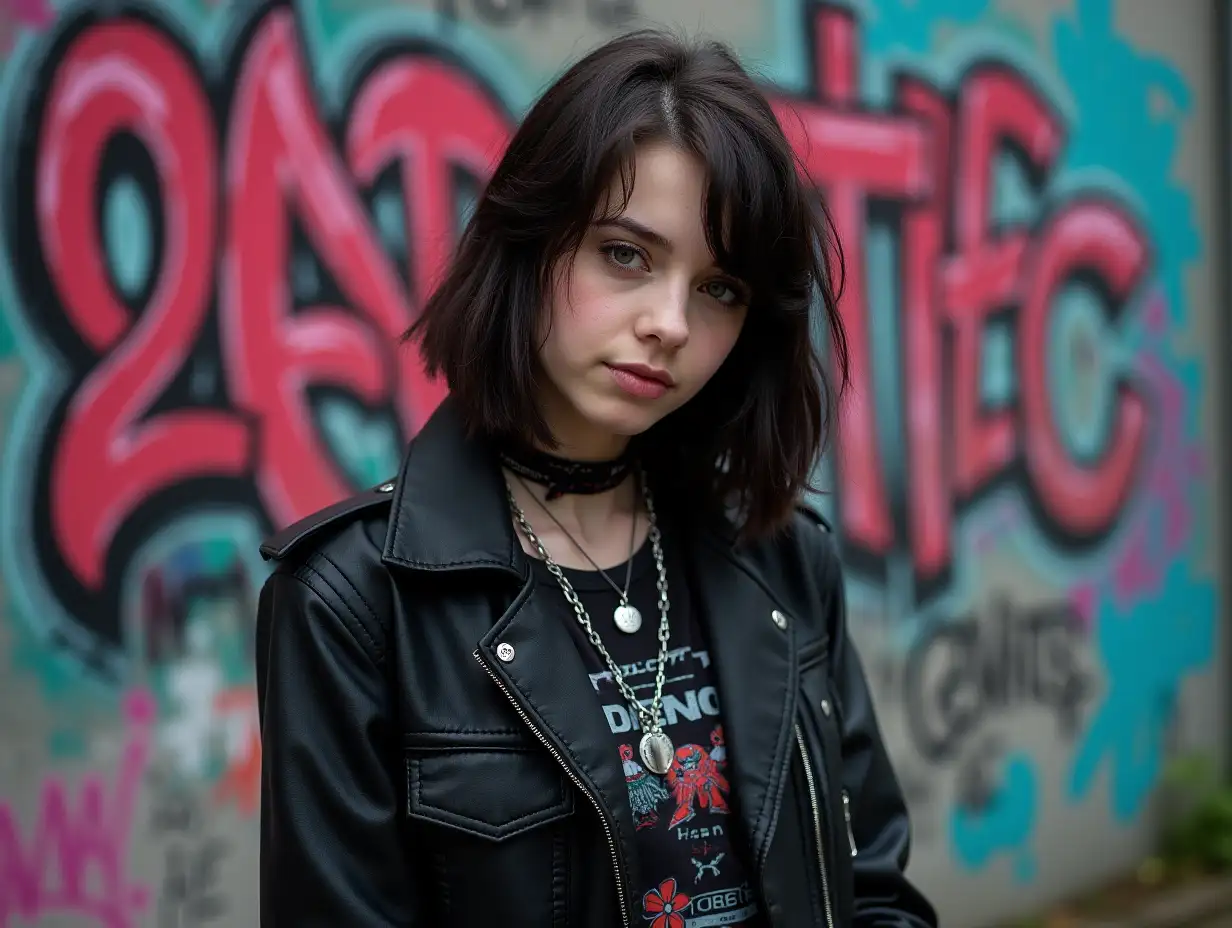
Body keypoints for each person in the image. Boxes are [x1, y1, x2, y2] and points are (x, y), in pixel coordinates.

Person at [255, 28, 937, 928]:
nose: (670, 323)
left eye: (719, 288)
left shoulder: (781, 561)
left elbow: (874, 893)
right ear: (530, 243)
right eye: (627, 255)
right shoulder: (353, 605)